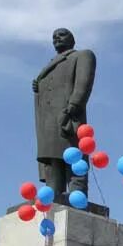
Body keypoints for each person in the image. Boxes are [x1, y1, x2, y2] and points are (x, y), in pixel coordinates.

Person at [33, 28, 97, 197]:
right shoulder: (49, 65)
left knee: (73, 152)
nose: (56, 39)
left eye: (61, 35)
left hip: (68, 114)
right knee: (53, 157)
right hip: (48, 120)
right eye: (54, 37)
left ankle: (77, 193)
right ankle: (53, 192)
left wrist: (74, 105)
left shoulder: (82, 55)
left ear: (72, 39)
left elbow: (84, 81)